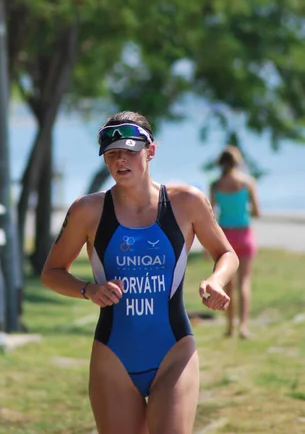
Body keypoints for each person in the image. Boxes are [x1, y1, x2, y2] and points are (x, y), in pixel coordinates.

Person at [41, 111, 239, 434]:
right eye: (112, 153)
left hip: (174, 352)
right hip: (113, 358)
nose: (121, 160)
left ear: (151, 151)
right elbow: (51, 272)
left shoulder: (186, 202)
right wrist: (88, 290)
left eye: (130, 150)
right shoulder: (87, 211)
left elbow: (227, 253)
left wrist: (216, 280)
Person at [210, 145, 261, 339]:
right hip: (244, 235)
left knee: (227, 284)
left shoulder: (215, 185)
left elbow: (211, 215)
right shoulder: (248, 183)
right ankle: (244, 327)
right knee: (244, 282)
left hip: (224, 238)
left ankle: (230, 326)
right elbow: (257, 212)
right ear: (237, 162)